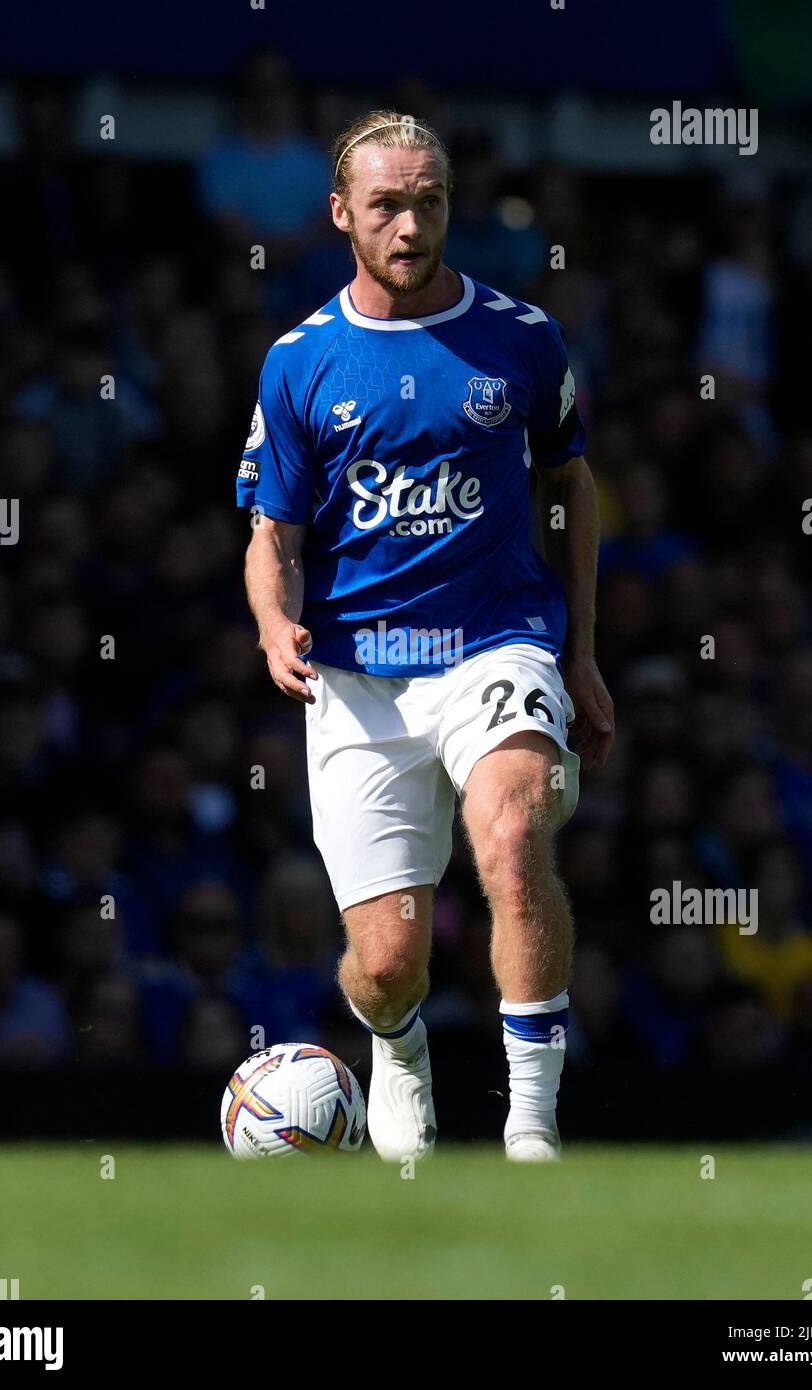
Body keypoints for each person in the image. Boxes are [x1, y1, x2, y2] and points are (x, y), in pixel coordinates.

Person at [242, 111, 615, 1162]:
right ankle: (394, 1047)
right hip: (360, 678)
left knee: (511, 833)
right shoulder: (299, 362)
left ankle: (531, 1126)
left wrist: (577, 648)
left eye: (429, 200)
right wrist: (275, 622)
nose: (410, 224)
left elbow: (568, 481)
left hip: (496, 644)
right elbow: (271, 531)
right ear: (340, 215)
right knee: (387, 958)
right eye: (386, 205)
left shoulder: (522, 338)